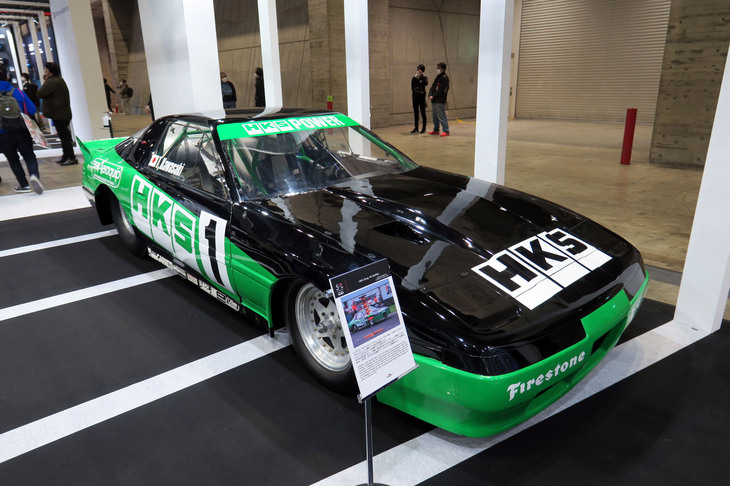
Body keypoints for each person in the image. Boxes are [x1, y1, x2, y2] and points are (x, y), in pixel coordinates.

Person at [0, 66, 43, 194]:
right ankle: (34, 175)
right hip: (22, 130)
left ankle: (24, 185)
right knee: (29, 156)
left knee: (13, 160)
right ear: (7, 77)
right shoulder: (18, 92)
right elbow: (31, 110)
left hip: (2, 134)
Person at [37, 62, 77, 166]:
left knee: (65, 138)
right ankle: (66, 156)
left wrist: (45, 82)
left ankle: (71, 157)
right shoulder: (59, 80)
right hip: (62, 113)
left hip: (58, 114)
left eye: (46, 69)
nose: (45, 71)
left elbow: (40, 93)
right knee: (64, 137)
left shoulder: (52, 81)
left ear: (49, 71)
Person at [428, 62, 450, 137]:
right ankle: (436, 129)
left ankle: (446, 130)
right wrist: (430, 94)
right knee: (435, 116)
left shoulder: (444, 78)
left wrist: (434, 96)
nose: (437, 69)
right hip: (434, 100)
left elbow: (441, 90)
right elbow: (433, 87)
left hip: (440, 100)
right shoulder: (438, 77)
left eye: (439, 68)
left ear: (443, 69)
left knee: (441, 115)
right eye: (437, 68)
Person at [411, 64, 428, 133]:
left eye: (419, 70)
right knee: (416, 113)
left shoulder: (424, 77)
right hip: (415, 97)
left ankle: (423, 128)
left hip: (422, 97)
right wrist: (417, 78)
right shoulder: (414, 78)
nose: (418, 71)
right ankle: (416, 128)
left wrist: (422, 76)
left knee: (423, 112)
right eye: (417, 70)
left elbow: (425, 83)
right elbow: (413, 87)